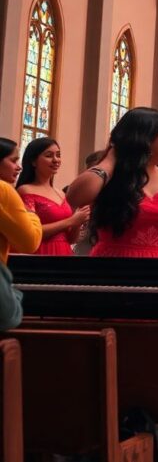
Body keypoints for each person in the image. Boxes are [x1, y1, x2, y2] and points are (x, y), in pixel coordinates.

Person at [65, 107, 158, 260]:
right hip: (109, 269)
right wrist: (111, 158)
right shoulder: (109, 177)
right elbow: (73, 198)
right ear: (144, 138)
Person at [16, 138, 89, 255]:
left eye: (58, 155)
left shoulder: (60, 193)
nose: (56, 160)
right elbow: (31, 232)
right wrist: (71, 221)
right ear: (34, 161)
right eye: (49, 155)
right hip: (42, 251)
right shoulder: (26, 190)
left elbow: (70, 239)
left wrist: (78, 221)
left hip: (64, 251)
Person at [0, 139, 42, 329]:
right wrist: (32, 215)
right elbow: (29, 242)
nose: (18, 168)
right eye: (13, 160)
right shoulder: (4, 190)